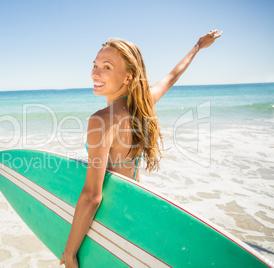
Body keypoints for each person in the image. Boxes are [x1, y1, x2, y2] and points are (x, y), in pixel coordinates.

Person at [60, 29, 223, 267]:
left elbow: (92, 197)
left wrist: (70, 253)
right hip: (136, 206)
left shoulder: (102, 120)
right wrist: (197, 46)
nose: (95, 72)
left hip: (111, 215)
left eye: (107, 67)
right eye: (95, 64)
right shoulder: (142, 105)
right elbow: (171, 77)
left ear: (127, 76)